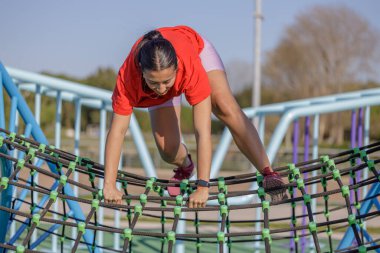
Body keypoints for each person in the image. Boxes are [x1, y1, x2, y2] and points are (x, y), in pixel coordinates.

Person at [103, 25, 286, 208]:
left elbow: (202, 131)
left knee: (223, 105)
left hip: (196, 51)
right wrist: (109, 184)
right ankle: (185, 166)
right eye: (153, 83)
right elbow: (117, 132)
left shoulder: (190, 68)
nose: (160, 89)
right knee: (167, 149)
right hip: (163, 71)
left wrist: (203, 185)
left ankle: (268, 172)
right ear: (142, 71)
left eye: (166, 82)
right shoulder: (127, 80)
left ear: (176, 68)